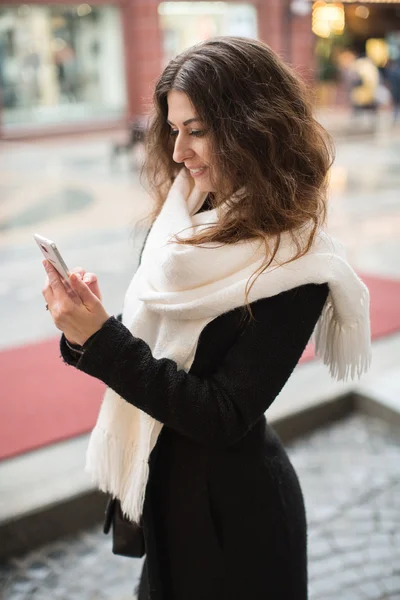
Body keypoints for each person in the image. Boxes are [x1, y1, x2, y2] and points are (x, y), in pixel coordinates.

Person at [42, 37, 371, 600]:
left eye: (196, 130)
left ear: (255, 127)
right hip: (162, 493)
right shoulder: (187, 213)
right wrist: (86, 327)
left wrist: (103, 339)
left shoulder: (299, 262)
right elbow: (160, 336)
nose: (178, 152)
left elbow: (222, 413)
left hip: (234, 520)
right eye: (174, 129)